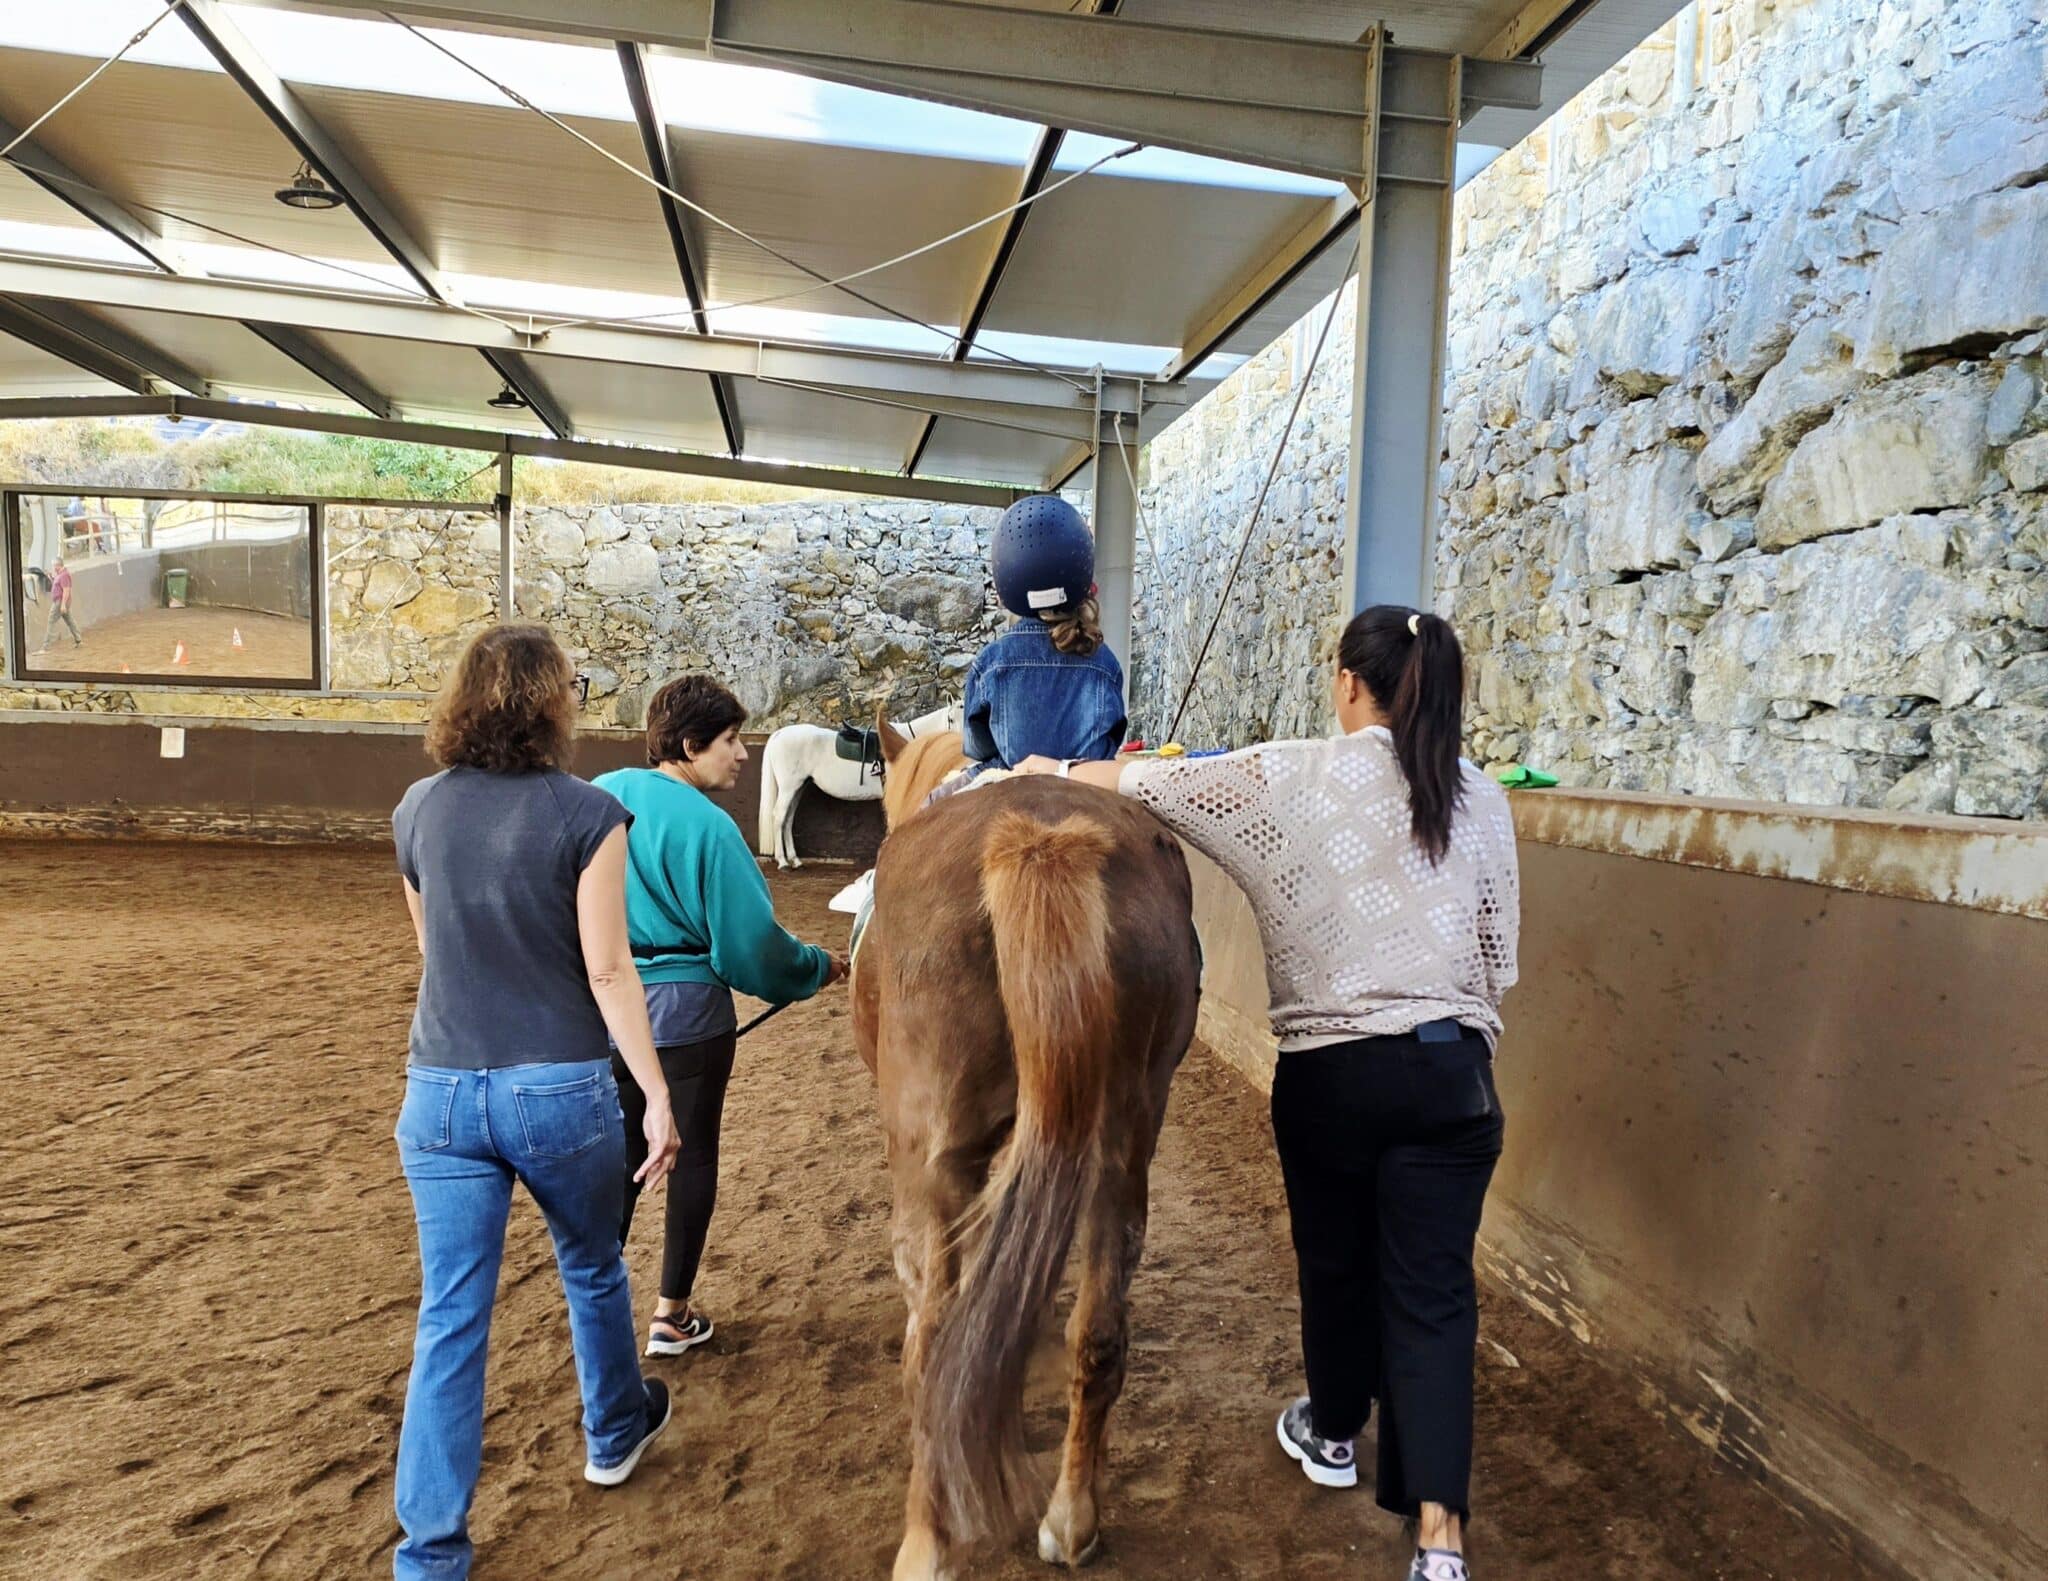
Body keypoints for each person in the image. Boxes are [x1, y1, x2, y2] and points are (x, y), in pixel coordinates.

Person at [1014, 606, 1520, 1581]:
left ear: (1346, 684)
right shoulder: (1481, 798)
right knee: (1432, 1298)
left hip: (1332, 1074)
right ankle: (1439, 1546)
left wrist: (1046, 770)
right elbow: (1497, 960)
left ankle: (1332, 1437)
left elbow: (1134, 781)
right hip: (1452, 1072)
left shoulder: (1289, 775)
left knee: (1333, 1264)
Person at [390, 624, 681, 1581]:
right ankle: (612, 1430)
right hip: (557, 1086)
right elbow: (607, 966)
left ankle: (430, 1550)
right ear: (554, 702)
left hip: (438, 1091)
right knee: (592, 1265)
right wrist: (654, 1089)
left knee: (451, 1314)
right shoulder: (589, 814)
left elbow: (435, 951)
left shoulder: (416, 809)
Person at [592, 675, 849, 1357]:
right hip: (687, 1016)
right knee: (693, 1150)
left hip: (606, 1009)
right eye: (732, 740)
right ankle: (670, 1315)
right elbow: (750, 949)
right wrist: (817, 967)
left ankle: (596, 1305)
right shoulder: (710, 827)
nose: (742, 755)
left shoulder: (597, 796)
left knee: (619, 1156)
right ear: (689, 744)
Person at [957, 494, 1127, 777]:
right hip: (1085, 784)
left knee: (929, 809)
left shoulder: (990, 662)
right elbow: (1112, 741)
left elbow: (978, 747)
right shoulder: (1104, 662)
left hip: (1011, 777)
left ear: (1005, 586)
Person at [42, 556, 82, 650]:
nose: (53, 568)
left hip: (59, 602)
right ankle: (78, 638)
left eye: (54, 566)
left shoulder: (64, 575)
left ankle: (46, 646)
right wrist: (50, 577)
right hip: (60, 601)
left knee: (51, 621)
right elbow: (58, 585)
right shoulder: (61, 575)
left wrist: (63, 604)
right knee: (69, 620)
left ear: (57, 565)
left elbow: (66, 590)